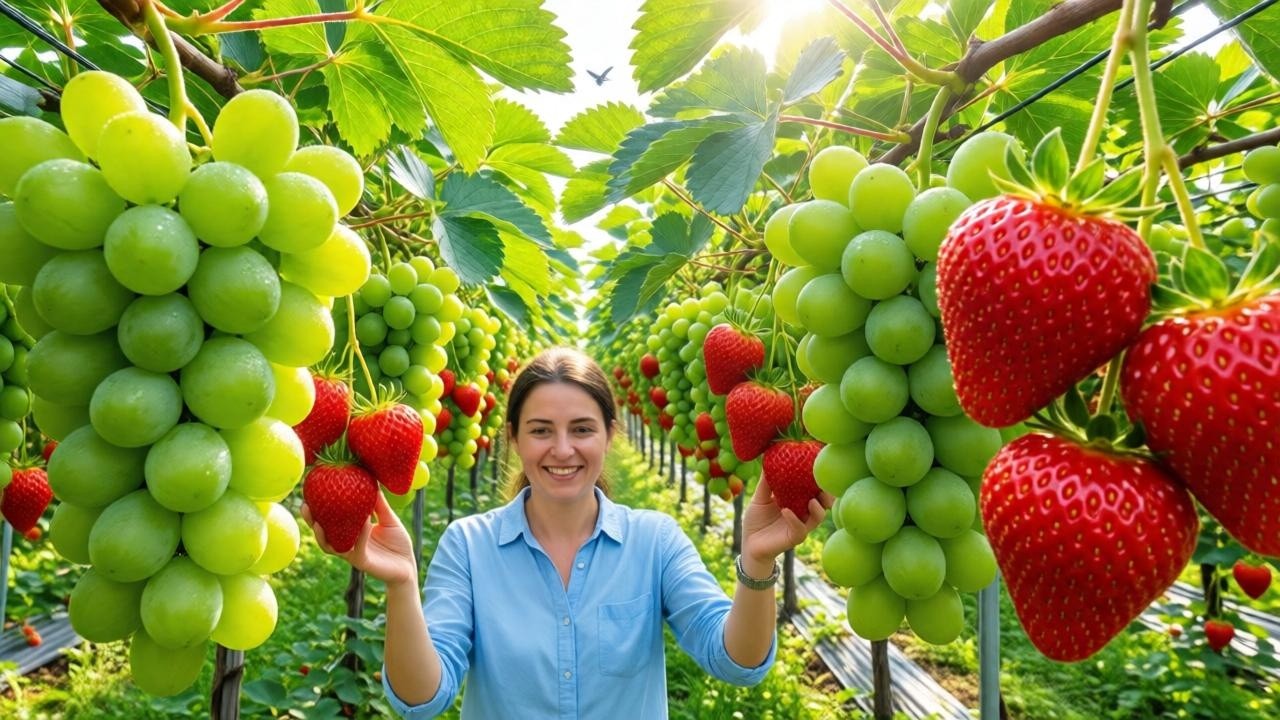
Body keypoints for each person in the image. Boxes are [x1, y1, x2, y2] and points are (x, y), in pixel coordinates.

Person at [303, 347, 833, 719]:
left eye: (582, 429)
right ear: (512, 438)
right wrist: (401, 586)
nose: (562, 450)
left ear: (609, 435)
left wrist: (758, 563)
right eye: (540, 431)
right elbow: (423, 699)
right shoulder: (469, 546)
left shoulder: (655, 541)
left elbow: (735, 661)